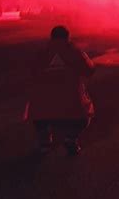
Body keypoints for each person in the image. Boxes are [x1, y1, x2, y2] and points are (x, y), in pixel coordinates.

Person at [24, 26, 96, 155]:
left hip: (42, 101)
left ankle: (44, 143)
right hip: (71, 100)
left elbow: (31, 71)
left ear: (51, 38)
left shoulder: (41, 52)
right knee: (85, 114)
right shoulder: (75, 52)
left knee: (38, 114)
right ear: (67, 37)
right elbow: (89, 70)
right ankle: (71, 138)